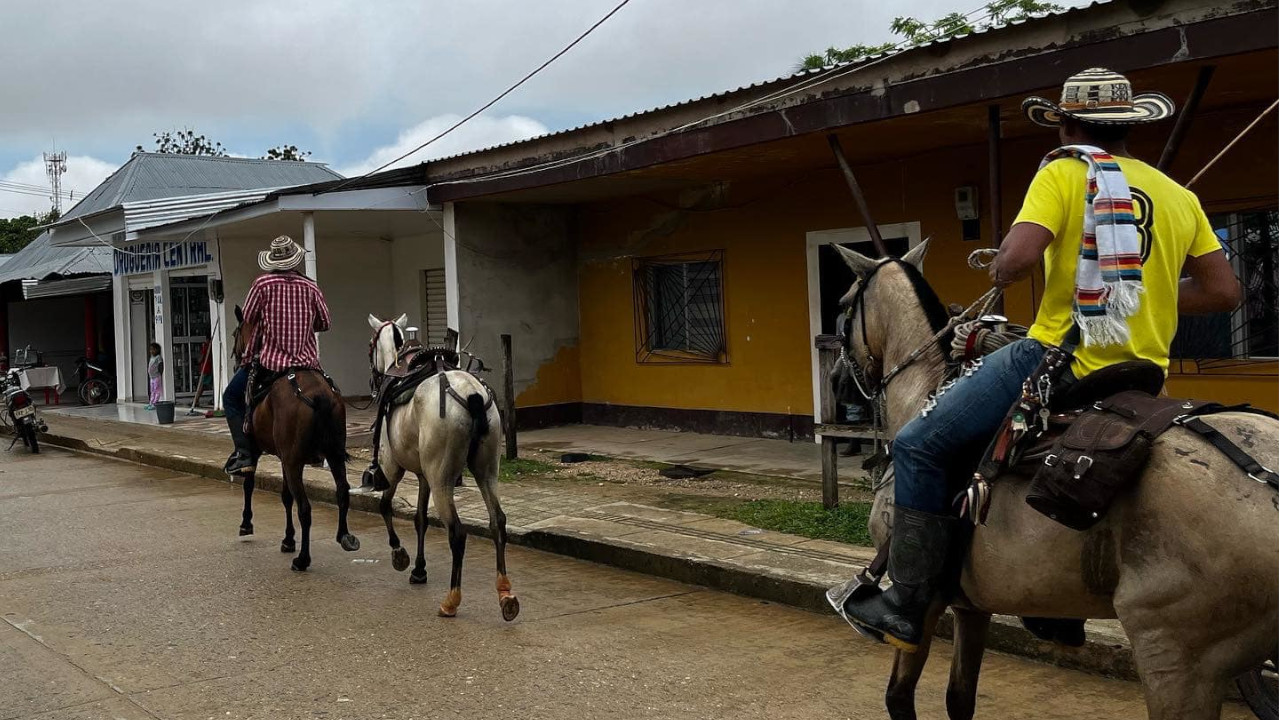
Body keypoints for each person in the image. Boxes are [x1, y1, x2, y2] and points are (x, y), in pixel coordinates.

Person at [837, 68, 1242, 651]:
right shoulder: (1179, 196)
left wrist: (1005, 262)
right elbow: (1224, 292)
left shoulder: (1063, 171)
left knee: (918, 443)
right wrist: (1137, 290)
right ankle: (1052, 605)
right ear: (1128, 125)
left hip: (1058, 358)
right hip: (1144, 372)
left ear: (1067, 126)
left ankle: (906, 601)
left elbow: (1017, 261)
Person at [222, 235, 332, 475]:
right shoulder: (311, 286)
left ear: (272, 261)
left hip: (271, 363)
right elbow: (324, 323)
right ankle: (321, 448)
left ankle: (244, 453)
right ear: (295, 259)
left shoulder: (261, 284)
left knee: (230, 397)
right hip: (307, 363)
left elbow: (248, 318)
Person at [145, 343, 163, 410]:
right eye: (150, 349)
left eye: (153, 349)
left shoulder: (158, 357)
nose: (151, 351)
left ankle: (155, 403)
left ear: (157, 350)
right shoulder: (152, 357)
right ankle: (151, 403)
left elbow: (161, 366)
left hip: (156, 377)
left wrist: (159, 374)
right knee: (152, 390)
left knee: (157, 390)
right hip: (152, 377)